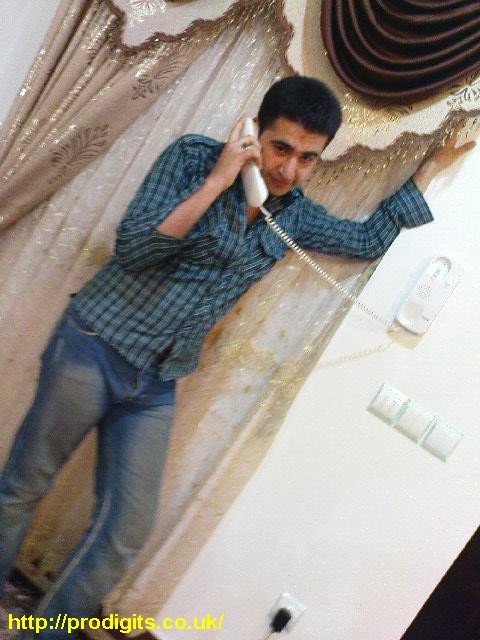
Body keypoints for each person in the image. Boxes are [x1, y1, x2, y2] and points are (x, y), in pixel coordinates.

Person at [0, 76, 473, 639]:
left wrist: (430, 168)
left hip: (157, 380)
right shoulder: (193, 159)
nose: (289, 169)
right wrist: (220, 180)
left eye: (307, 158)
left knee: (127, 530)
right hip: (95, 343)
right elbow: (135, 248)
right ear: (255, 132)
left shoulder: (293, 214)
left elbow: (366, 241)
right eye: (281, 148)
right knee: (24, 484)